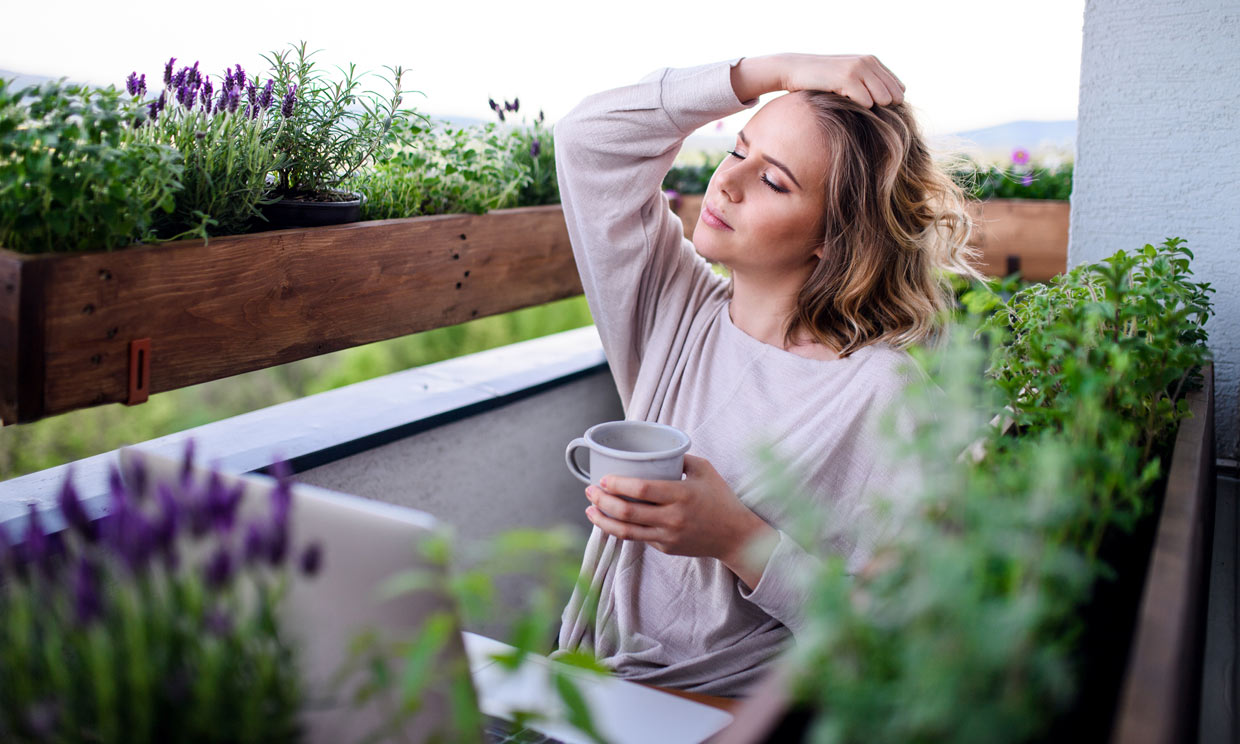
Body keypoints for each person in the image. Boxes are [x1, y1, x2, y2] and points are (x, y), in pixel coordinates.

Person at [551, 53, 982, 698]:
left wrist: (738, 538)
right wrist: (776, 71)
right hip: (596, 693)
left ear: (833, 238)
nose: (726, 184)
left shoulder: (886, 396)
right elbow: (589, 141)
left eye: (775, 182)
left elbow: (892, 646)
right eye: (737, 151)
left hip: (736, 715)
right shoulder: (672, 310)